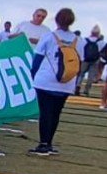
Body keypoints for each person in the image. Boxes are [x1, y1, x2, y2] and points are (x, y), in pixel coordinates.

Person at [28, 8, 82, 156]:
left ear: (56, 20)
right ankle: (49, 143)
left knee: (45, 113)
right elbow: (79, 63)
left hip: (46, 80)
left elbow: (37, 59)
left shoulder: (49, 36)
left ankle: (43, 143)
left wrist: (33, 75)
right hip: (66, 82)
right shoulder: (78, 40)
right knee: (56, 113)